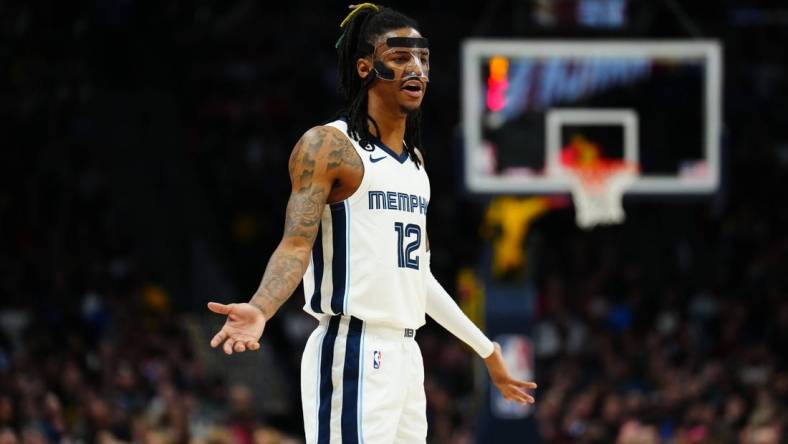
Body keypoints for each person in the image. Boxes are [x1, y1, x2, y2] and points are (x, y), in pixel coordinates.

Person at [207, 4, 537, 443]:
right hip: (353, 350)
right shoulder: (328, 145)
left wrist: (486, 349)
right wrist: (262, 307)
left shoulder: (415, 166)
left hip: (406, 356)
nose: (415, 67)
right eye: (400, 58)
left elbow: (418, 279)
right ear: (366, 67)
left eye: (422, 58)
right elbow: (294, 245)